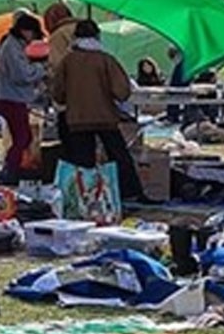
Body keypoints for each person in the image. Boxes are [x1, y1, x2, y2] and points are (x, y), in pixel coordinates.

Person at [49, 20, 149, 204]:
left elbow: (58, 93)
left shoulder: (68, 61)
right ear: (97, 36)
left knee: (83, 161)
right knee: (119, 156)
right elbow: (122, 91)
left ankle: (83, 198)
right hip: (105, 117)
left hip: (77, 119)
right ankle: (130, 192)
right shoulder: (105, 60)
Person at [0, 13, 44, 184]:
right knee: (23, 137)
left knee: (22, 137)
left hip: (11, 97)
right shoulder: (12, 48)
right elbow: (21, 75)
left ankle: (13, 167)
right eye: (33, 34)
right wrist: (40, 69)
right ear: (25, 31)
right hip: (13, 98)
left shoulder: (12, 46)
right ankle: (10, 169)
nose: (32, 40)